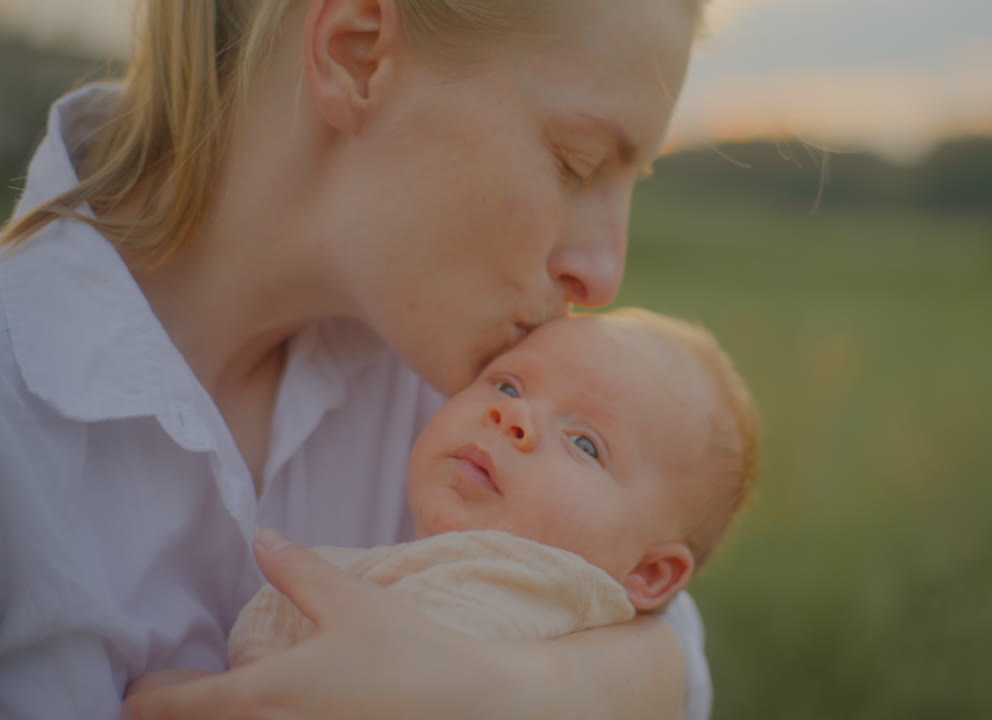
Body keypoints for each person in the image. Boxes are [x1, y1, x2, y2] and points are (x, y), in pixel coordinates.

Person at [0, 0, 711, 718]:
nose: (604, 273)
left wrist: (505, 693)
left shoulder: (464, 382)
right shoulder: (20, 425)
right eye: (575, 163)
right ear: (357, 53)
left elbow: (665, 632)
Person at [223, 309, 757, 668]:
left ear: (648, 574)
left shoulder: (497, 613)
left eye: (585, 444)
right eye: (506, 385)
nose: (512, 414)